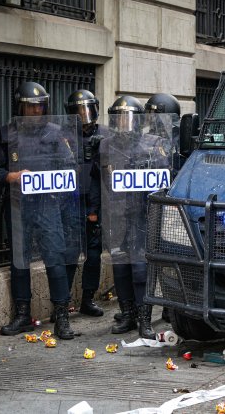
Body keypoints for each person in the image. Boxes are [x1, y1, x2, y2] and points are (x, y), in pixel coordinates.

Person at [0, 81, 76, 340]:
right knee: (19, 262)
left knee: (55, 259)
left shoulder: (56, 133)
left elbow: (69, 166)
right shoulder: (7, 134)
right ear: (20, 107)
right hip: (18, 206)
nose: (37, 111)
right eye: (31, 107)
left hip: (47, 205)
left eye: (40, 106)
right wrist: (11, 177)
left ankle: (62, 316)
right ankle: (23, 315)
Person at [96, 95, 173, 337]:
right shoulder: (106, 145)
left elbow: (163, 179)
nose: (123, 123)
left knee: (141, 269)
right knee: (120, 268)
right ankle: (127, 314)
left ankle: (145, 318)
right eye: (118, 118)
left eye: (128, 118)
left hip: (142, 215)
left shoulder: (152, 144)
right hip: (118, 216)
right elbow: (99, 181)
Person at [61, 89, 107, 319]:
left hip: (94, 207)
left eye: (87, 110)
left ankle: (88, 299)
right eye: (78, 112)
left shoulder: (104, 134)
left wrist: (105, 147)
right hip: (70, 205)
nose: (84, 116)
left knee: (93, 255)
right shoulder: (63, 137)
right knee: (69, 255)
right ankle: (62, 304)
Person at [145, 93, 181, 324]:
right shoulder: (147, 140)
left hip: (172, 210)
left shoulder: (179, 139)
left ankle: (172, 305)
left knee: (171, 258)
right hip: (151, 205)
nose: (151, 119)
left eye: (155, 115)